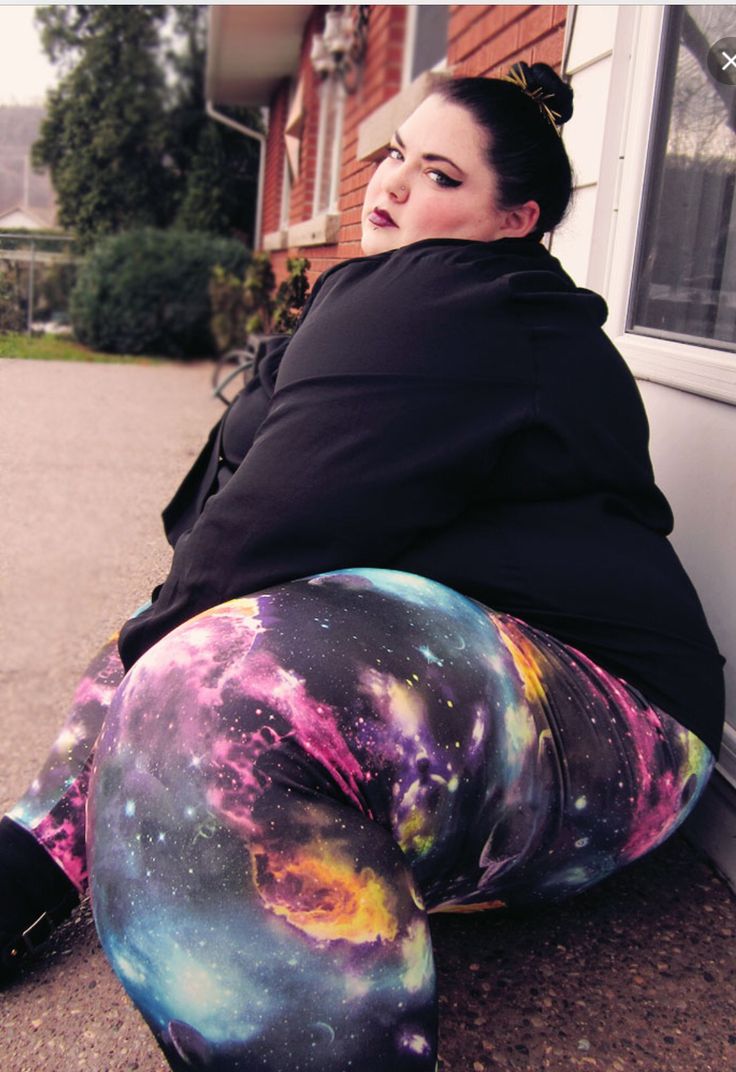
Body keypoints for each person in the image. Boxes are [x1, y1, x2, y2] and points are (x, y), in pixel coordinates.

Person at [0, 63, 724, 1072]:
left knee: (210, 687)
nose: (392, 183)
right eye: (394, 153)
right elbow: (223, 562)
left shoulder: (459, 303)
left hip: (622, 735)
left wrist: (161, 675)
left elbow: (260, 526)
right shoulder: (430, 297)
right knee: (174, 635)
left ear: (514, 220)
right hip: (503, 693)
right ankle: (27, 866)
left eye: (438, 175)